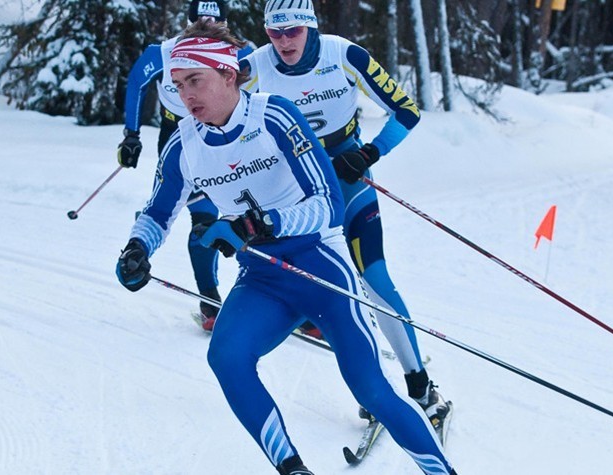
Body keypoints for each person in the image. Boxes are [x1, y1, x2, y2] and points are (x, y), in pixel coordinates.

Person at [115, 18, 457, 475]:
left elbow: (328, 205)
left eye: (194, 80)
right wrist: (137, 248)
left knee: (372, 390)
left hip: (321, 269)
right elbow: (157, 213)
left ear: (228, 73)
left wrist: (258, 224)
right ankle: (294, 469)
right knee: (227, 358)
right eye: (176, 85)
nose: (184, 96)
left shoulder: (274, 116)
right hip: (264, 280)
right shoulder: (182, 145)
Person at [240, 0, 450, 430]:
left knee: (374, 279)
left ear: (311, 27)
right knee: (333, 287)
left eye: (293, 31)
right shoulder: (253, 66)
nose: (284, 42)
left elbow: (406, 111)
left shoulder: (344, 54)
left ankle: (421, 386)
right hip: (293, 188)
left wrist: (370, 152)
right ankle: (374, 389)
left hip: (346, 174)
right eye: (274, 32)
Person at [118, 0, 252, 331]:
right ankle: (210, 302)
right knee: (203, 219)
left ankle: (284, 298)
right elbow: (136, 83)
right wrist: (131, 135)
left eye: (215, 22)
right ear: (188, 21)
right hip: (180, 138)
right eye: (201, 20)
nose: (208, 26)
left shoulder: (240, 53)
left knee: (251, 216)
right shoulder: (164, 52)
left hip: (228, 139)